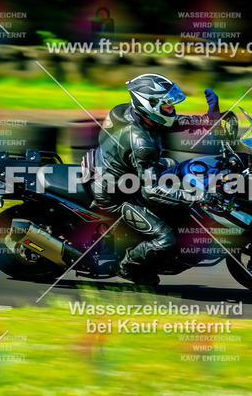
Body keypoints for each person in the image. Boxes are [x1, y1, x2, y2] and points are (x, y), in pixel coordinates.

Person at [81, 73, 221, 285]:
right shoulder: (142, 143)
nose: (171, 108)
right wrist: (198, 196)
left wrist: (206, 120)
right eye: (166, 105)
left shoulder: (128, 112)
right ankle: (128, 267)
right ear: (149, 105)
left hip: (117, 170)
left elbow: (171, 122)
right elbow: (151, 190)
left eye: (171, 104)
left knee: (177, 166)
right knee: (165, 239)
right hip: (115, 195)